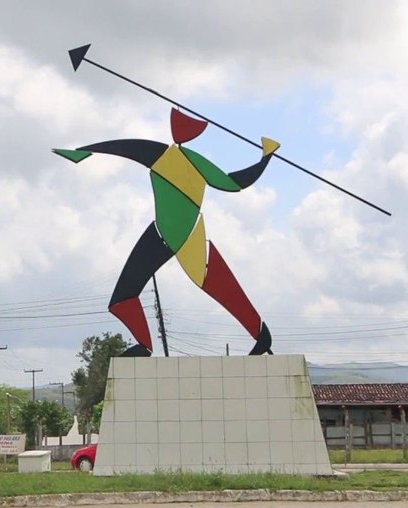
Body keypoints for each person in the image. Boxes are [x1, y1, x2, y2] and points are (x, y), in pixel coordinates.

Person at [54, 107, 279, 357]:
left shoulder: (169, 155)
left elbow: (126, 148)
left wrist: (266, 157)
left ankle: (259, 334)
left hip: (177, 236)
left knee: (131, 296)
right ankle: (147, 345)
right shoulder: (179, 157)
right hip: (170, 233)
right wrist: (266, 156)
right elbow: (235, 182)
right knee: (125, 298)